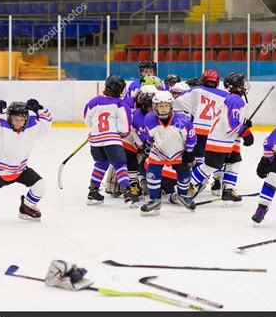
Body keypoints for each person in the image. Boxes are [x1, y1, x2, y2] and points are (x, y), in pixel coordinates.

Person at [190, 72, 254, 206]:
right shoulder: (235, 100)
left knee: (235, 161)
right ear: (237, 86)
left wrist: (243, 125)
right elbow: (231, 123)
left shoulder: (232, 98)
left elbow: (231, 120)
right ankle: (187, 186)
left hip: (228, 139)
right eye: (242, 83)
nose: (244, 85)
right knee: (210, 166)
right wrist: (245, 132)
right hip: (220, 139)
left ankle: (228, 191)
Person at [84, 75, 138, 207]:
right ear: (120, 90)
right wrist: (121, 134)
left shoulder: (93, 102)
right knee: (120, 165)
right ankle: (128, 194)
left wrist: (96, 132)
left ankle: (93, 192)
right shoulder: (121, 104)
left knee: (101, 163)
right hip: (112, 140)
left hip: (96, 141)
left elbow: (87, 121)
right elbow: (125, 127)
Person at [141, 91, 197, 216]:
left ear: (171, 106)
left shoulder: (183, 120)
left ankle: (182, 195)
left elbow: (192, 138)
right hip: (159, 151)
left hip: (179, 152)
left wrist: (188, 152)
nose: (163, 109)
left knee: (184, 174)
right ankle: (154, 200)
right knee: (151, 172)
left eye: (166, 106)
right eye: (160, 106)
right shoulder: (149, 118)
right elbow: (150, 136)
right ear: (155, 107)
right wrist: (148, 144)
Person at [172, 69, 228, 168]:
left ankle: (195, 179)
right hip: (215, 132)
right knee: (213, 159)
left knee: (195, 156)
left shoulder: (197, 90)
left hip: (198, 130)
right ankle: (214, 178)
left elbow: (176, 102)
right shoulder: (225, 95)